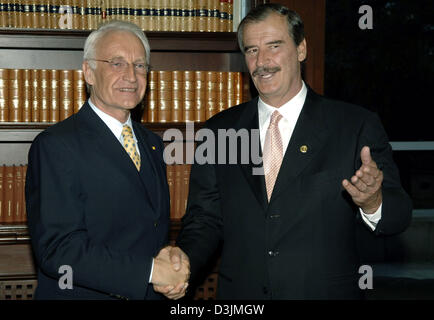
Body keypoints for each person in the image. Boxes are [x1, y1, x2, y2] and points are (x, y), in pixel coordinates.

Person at [169, 4, 412, 299]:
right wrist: (183, 262)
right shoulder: (218, 130)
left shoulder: (354, 126)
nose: (262, 61)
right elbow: (204, 221)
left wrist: (373, 201)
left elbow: (398, 216)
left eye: (274, 46)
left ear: (301, 49)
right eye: (252, 50)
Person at [25, 20, 189, 300]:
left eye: (140, 65)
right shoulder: (56, 145)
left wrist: (167, 258)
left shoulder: (152, 143)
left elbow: (148, 230)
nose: (131, 75)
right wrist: (149, 272)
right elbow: (59, 251)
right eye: (117, 63)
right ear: (89, 72)